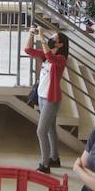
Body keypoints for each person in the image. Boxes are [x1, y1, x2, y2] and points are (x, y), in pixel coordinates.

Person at [25, 26, 69, 174]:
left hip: (52, 99)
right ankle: (54, 158)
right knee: (50, 129)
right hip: (42, 97)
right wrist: (31, 35)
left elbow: (51, 57)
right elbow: (28, 50)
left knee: (41, 131)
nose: (50, 39)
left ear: (60, 44)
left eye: (53, 38)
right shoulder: (45, 55)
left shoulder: (61, 59)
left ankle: (45, 165)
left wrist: (42, 37)